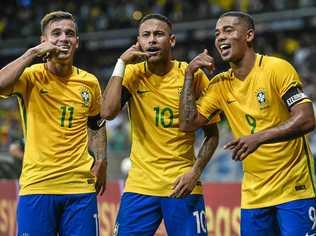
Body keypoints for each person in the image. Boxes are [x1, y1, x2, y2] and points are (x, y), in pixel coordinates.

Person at [179, 11, 316, 236]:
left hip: (294, 189)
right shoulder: (219, 85)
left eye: (228, 30)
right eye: (217, 33)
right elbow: (187, 124)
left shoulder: (276, 69)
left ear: (249, 35)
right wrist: (188, 75)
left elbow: (307, 118)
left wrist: (259, 138)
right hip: (254, 196)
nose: (220, 37)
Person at [101, 13, 218, 235]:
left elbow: (212, 134)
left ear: (171, 40)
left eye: (158, 34)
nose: (152, 40)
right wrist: (121, 62)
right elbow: (107, 112)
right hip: (140, 186)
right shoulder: (133, 74)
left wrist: (195, 172)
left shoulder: (192, 75)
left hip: (182, 185)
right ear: (139, 42)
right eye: (146, 35)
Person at [0, 11, 107, 236]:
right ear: (44, 41)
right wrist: (32, 54)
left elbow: (96, 124)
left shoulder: (89, 82)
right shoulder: (30, 76)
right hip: (37, 186)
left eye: (70, 33)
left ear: (77, 41)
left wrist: (102, 161)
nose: (63, 38)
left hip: (80, 189)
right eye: (56, 33)